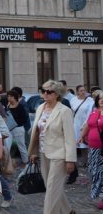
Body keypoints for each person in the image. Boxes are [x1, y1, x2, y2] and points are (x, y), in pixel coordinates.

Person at [28, 80, 76, 214]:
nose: (45, 94)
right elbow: (37, 133)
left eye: (49, 92)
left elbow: (69, 137)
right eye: (43, 91)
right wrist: (33, 152)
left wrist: (70, 159)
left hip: (59, 155)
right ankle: (68, 211)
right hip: (43, 153)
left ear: (57, 94)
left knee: (51, 189)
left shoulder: (64, 111)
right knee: (53, 188)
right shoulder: (40, 108)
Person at [78, 89, 103, 210]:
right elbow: (87, 125)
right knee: (94, 172)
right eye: (100, 99)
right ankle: (98, 194)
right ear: (97, 101)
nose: (102, 101)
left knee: (102, 173)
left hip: (102, 149)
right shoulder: (93, 113)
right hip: (93, 148)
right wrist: (82, 136)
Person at [7, 89, 30, 164]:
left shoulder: (20, 106)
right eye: (8, 96)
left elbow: (24, 118)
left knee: (21, 146)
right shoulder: (8, 105)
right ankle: (7, 164)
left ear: (15, 97)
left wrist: (16, 122)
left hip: (18, 128)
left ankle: (26, 162)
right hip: (9, 128)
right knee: (7, 146)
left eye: (11, 96)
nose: (9, 98)